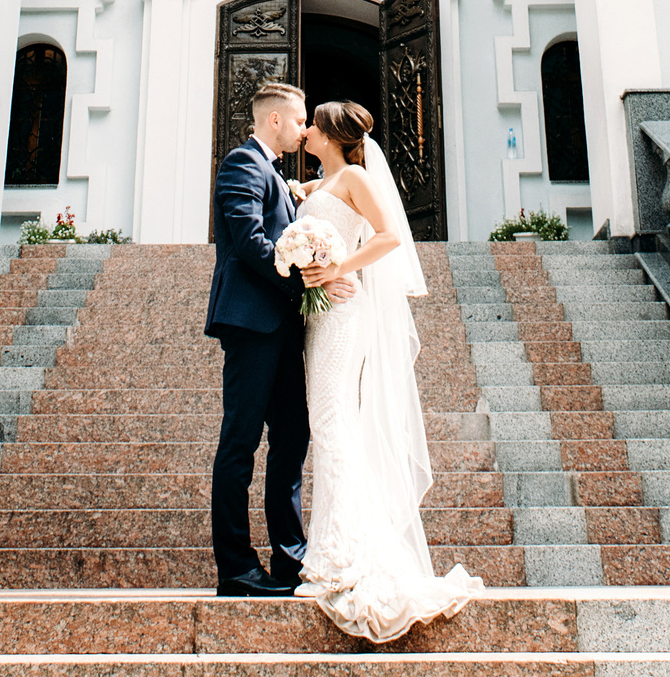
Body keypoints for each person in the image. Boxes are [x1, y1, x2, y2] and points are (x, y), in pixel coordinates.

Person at [288, 99, 484, 642]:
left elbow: (389, 235)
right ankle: (335, 549)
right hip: (322, 314)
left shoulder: (354, 175)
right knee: (331, 423)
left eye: (313, 124)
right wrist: (299, 198)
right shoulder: (323, 183)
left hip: (345, 311)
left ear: (330, 134)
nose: (305, 131)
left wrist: (336, 267)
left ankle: (342, 558)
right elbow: (315, 210)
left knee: (329, 422)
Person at [205, 80, 353, 597]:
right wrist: (306, 276)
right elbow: (248, 240)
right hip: (251, 324)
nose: (304, 129)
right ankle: (237, 568)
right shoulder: (242, 163)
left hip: (286, 326)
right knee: (240, 443)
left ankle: (290, 561)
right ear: (275, 121)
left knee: (292, 439)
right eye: (298, 121)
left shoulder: (280, 175)